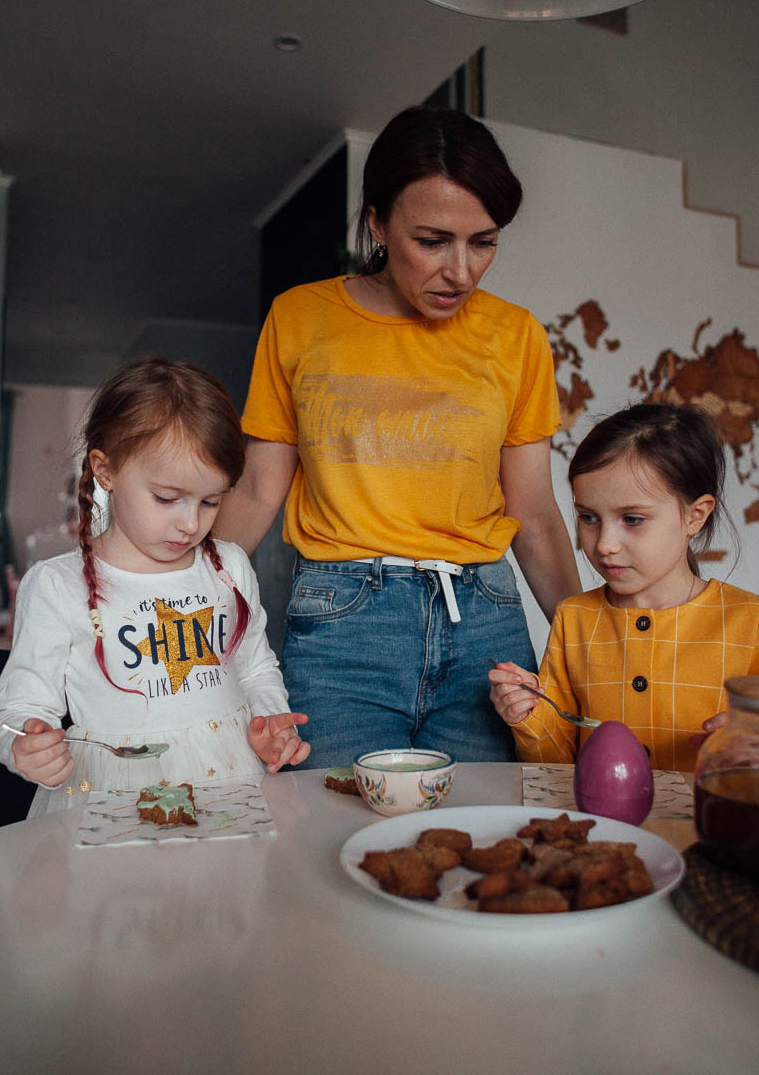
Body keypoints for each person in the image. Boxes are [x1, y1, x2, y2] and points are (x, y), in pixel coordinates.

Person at [215, 104, 581, 767]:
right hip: (342, 624)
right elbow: (256, 490)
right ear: (379, 222)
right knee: (334, 835)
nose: (462, 272)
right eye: (433, 240)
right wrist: (170, 598)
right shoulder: (301, 319)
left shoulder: (517, 336)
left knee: (477, 842)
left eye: (484, 241)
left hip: (487, 629)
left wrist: (594, 643)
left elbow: (533, 513)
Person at [0, 358, 309, 816]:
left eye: (211, 501)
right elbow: (19, 708)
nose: (191, 523)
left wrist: (271, 720)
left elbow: (256, 668)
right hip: (109, 795)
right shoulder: (58, 586)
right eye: (167, 498)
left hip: (227, 780)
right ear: (106, 470)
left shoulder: (230, 567)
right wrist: (25, 744)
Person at [489, 402, 759, 772]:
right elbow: (558, 765)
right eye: (588, 518)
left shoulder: (753, 622)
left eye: (632, 519)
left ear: (695, 516)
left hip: (712, 825)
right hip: (607, 828)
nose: (604, 544)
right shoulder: (574, 619)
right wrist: (529, 715)